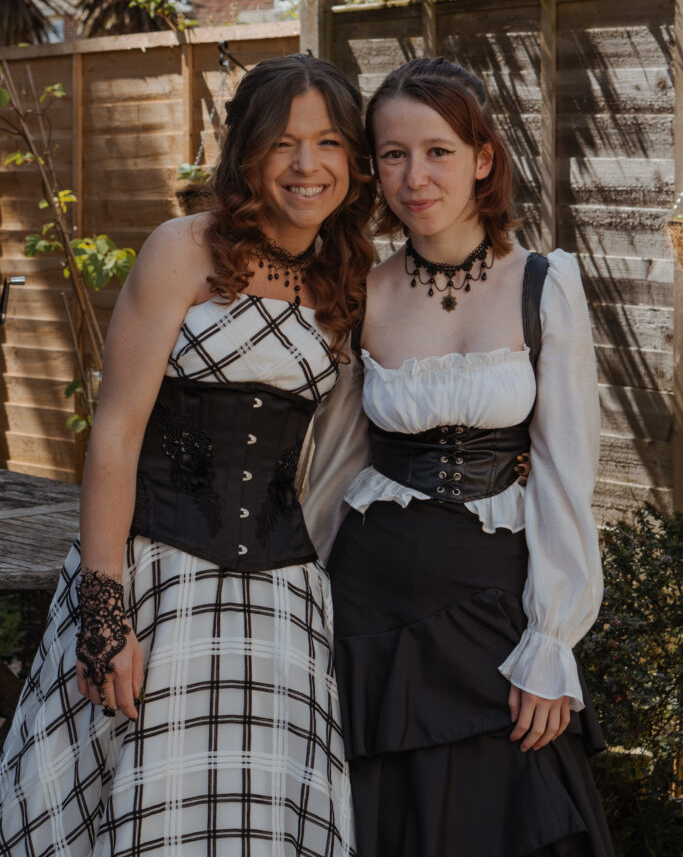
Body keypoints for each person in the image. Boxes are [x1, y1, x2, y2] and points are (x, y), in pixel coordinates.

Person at [0, 54, 374, 856]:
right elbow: (116, 433)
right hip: (157, 582)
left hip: (281, 604)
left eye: (328, 143)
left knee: (259, 825)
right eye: (282, 143)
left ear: (355, 160)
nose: (307, 166)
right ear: (246, 154)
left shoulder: (346, 280)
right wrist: (104, 613)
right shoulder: (184, 249)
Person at [327, 57, 614, 857]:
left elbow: (565, 472)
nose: (414, 176)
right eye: (392, 154)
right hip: (369, 608)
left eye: (438, 151)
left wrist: (551, 639)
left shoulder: (542, 283)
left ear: (482, 158)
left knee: (510, 813)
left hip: (494, 606)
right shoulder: (360, 290)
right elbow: (332, 462)